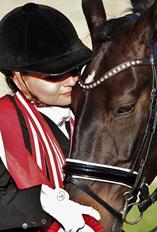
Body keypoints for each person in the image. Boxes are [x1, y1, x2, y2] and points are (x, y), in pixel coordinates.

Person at [0, 3, 102, 232]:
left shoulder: (90, 114)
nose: (71, 81)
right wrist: (41, 202)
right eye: (54, 75)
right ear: (18, 77)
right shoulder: (1, 124)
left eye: (75, 69)